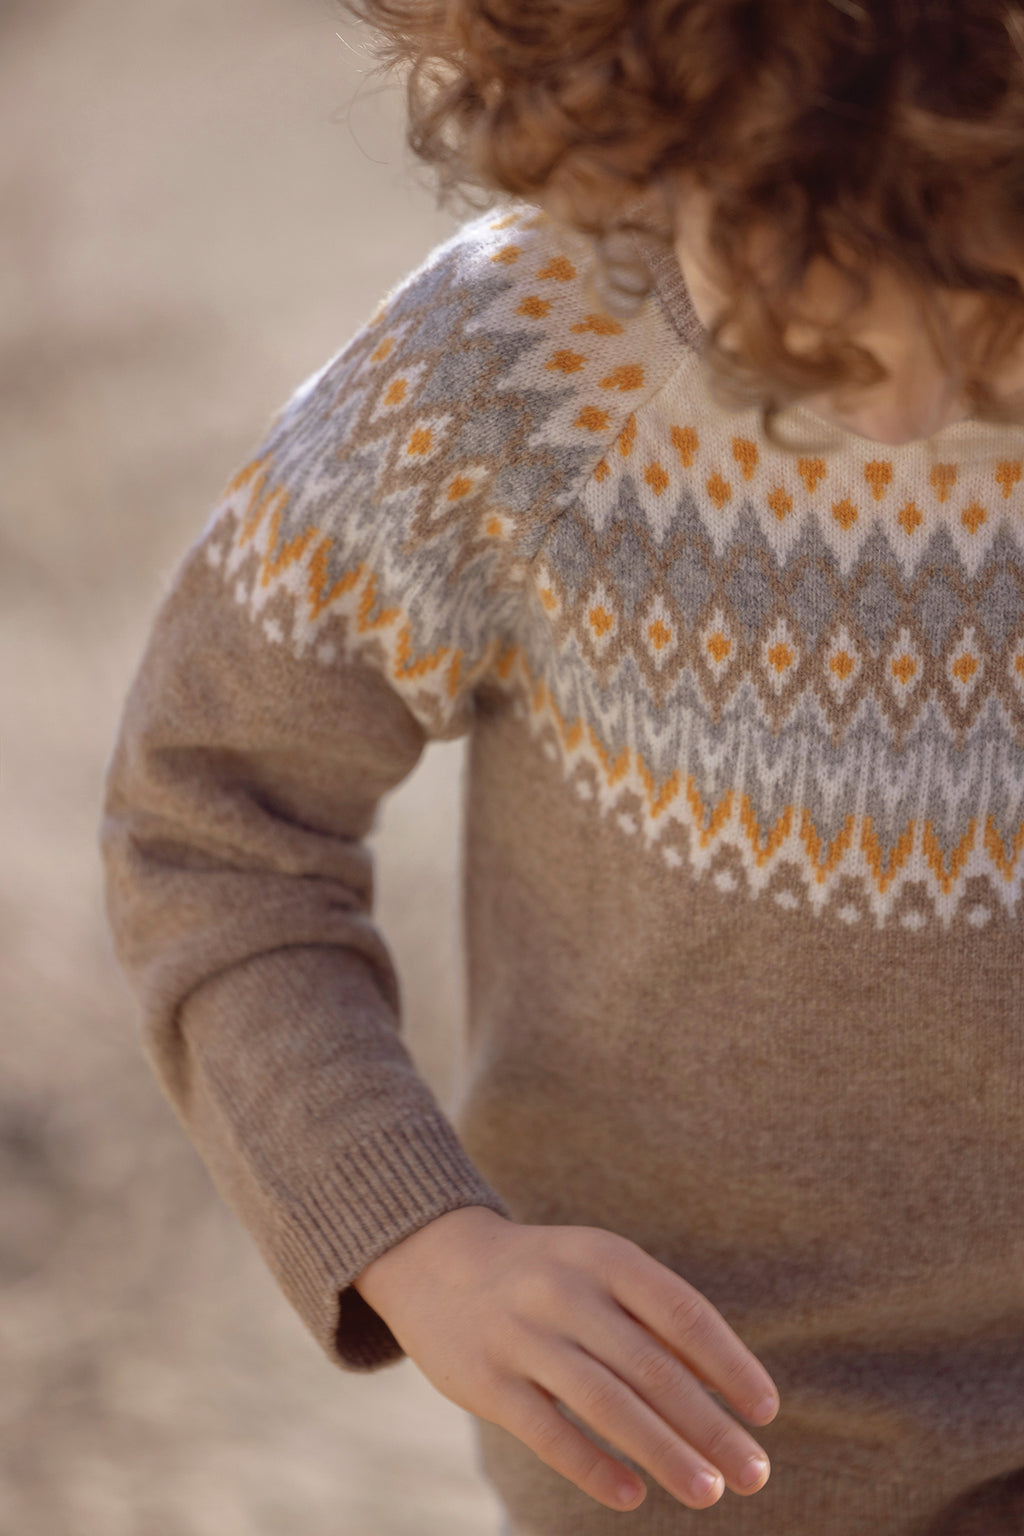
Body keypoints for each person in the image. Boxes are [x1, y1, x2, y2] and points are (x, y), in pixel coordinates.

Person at [100, 2, 1024, 1531]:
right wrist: (424, 1244)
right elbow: (209, 823)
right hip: (674, 1457)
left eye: (990, 296)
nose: (902, 407)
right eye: (802, 296)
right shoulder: (521, 370)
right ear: (659, 135)